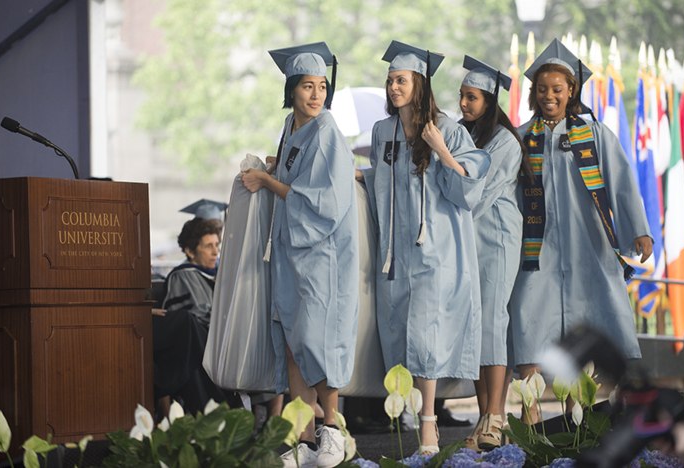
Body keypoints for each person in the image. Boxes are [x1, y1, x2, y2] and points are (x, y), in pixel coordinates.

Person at [509, 39, 653, 423]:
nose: (549, 96)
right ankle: (530, 412)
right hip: (536, 247)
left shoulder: (594, 133)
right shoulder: (522, 137)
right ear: (533, 93)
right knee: (527, 317)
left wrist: (639, 231)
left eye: (557, 89)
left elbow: (622, 183)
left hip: (587, 241)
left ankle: (588, 410)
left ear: (571, 91)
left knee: (596, 318)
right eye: (542, 90)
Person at [361, 40, 490, 455]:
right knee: (400, 335)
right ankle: (411, 419)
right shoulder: (383, 132)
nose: (394, 87)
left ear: (419, 83)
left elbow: (467, 188)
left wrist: (442, 151)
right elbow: (379, 181)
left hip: (437, 252)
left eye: (401, 80)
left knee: (427, 336)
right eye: (390, 81)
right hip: (396, 254)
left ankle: (430, 427)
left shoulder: (447, 128)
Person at [241, 42, 359, 468]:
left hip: (322, 255)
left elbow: (322, 202)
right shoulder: (293, 126)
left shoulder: (326, 130)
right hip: (293, 253)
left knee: (318, 341)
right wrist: (274, 169)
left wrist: (267, 182)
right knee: (293, 343)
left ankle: (332, 430)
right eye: (307, 86)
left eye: (322, 86)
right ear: (291, 90)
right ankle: (301, 437)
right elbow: (297, 176)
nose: (316, 95)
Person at [457, 56, 530, 450]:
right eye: (462, 96)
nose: (465, 104)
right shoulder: (464, 135)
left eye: (472, 97)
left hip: (497, 234)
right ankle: (483, 417)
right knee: (473, 322)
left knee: (492, 321)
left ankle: (497, 415)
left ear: (489, 100)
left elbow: (479, 194)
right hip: (470, 234)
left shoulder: (504, 139)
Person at [152, 206, 241, 416]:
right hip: (193, 346)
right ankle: (221, 413)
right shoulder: (181, 276)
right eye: (208, 246)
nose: (215, 251)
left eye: (217, 245)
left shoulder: (221, 275)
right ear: (191, 251)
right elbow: (189, 315)